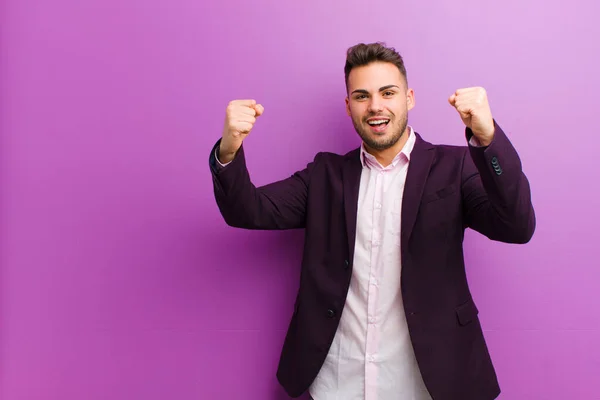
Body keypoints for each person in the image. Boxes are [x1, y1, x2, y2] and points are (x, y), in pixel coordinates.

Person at [208, 42, 535, 400]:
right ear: (349, 107)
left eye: (388, 92)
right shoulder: (324, 175)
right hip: (338, 380)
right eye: (362, 96)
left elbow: (516, 226)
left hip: (430, 382)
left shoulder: (453, 168)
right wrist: (229, 149)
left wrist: (487, 138)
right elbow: (248, 209)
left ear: (408, 98)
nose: (375, 106)